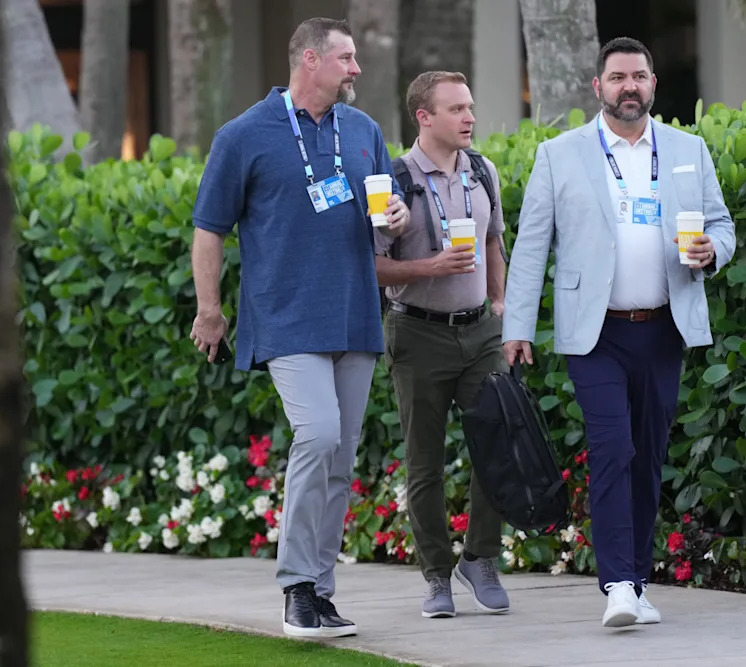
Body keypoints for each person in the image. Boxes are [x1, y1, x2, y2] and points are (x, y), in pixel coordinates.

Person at [502, 37, 734, 629]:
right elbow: (531, 247)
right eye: (617, 77)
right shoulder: (560, 155)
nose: (629, 86)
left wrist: (714, 251)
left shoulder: (688, 148)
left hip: (663, 329)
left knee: (648, 456)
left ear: (653, 84)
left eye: (639, 76)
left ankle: (638, 577)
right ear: (597, 87)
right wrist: (518, 326)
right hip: (595, 333)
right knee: (612, 448)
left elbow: (721, 224)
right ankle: (618, 586)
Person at [188, 17, 410, 639]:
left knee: (340, 459)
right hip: (285, 316)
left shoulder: (363, 129)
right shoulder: (244, 134)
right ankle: (295, 588)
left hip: (357, 315)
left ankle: (320, 591)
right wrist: (210, 309)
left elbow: (390, 212)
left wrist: (395, 214)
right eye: (346, 58)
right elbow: (209, 228)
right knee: (316, 436)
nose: (356, 69)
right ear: (310, 60)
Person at [374, 71, 510, 619]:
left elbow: (495, 239)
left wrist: (500, 306)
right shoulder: (394, 179)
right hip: (417, 331)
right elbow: (371, 265)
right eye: (456, 110)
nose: (469, 118)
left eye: (470, 107)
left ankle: (479, 558)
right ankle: (436, 576)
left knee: (497, 448)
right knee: (425, 463)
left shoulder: (483, 170)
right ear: (424, 117)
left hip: (480, 331)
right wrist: (427, 266)